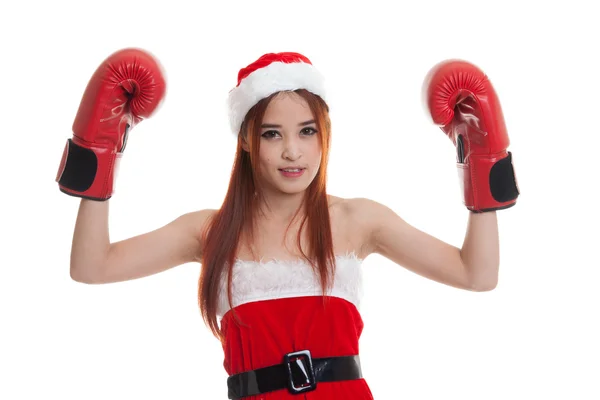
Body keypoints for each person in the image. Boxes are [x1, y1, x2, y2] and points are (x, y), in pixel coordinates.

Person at [57, 48, 520, 399]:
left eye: (307, 131)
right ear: (245, 139)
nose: (293, 152)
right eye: (272, 134)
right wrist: (100, 151)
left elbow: (476, 275)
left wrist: (481, 164)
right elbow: (91, 266)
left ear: (324, 136)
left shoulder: (356, 220)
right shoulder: (210, 231)